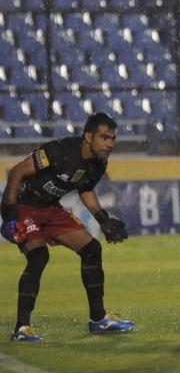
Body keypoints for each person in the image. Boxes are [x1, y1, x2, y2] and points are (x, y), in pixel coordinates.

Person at [1, 113, 133, 342]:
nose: (110, 144)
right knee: (39, 256)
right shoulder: (59, 150)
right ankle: (22, 328)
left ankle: (98, 320)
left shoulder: (99, 163)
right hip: (25, 206)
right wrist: (9, 212)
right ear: (88, 136)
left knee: (92, 249)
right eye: (104, 137)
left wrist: (102, 219)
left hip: (51, 209)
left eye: (112, 138)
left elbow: (86, 189)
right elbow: (17, 172)